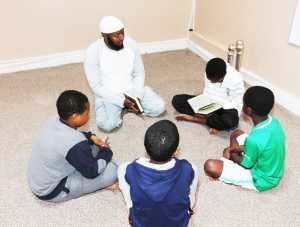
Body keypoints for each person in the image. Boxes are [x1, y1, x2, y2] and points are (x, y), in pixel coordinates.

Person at [28, 90, 118, 202]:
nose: (89, 116)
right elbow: (92, 172)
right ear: (75, 116)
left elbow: (70, 137)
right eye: (87, 113)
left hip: (40, 178)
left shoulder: (53, 120)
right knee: (112, 170)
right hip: (52, 190)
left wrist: (90, 137)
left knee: (92, 149)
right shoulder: (75, 142)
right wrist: (106, 150)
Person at [84, 16, 165, 132]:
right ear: (104, 36)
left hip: (132, 91)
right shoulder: (93, 51)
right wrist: (121, 101)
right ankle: (118, 107)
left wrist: (136, 96)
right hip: (109, 95)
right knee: (107, 125)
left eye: (122, 33)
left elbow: (139, 73)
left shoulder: (131, 44)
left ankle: (131, 105)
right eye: (116, 35)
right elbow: (96, 86)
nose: (121, 37)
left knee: (159, 108)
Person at [204, 86, 286, 191]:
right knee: (236, 133)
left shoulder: (254, 140)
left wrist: (232, 152)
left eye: (243, 103)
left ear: (248, 110)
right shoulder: (274, 122)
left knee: (210, 166)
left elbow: (247, 164)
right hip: (270, 166)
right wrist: (239, 149)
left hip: (261, 179)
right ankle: (231, 159)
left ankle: (229, 168)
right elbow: (263, 145)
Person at [118, 120, 199, 227]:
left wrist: (138, 161)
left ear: (146, 150)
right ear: (176, 152)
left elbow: (129, 170)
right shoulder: (186, 168)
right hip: (179, 223)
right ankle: (189, 207)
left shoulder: (132, 169)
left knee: (121, 168)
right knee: (194, 170)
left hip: (141, 223)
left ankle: (130, 206)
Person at [172, 57, 244, 134]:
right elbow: (207, 93)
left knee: (230, 121)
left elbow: (237, 104)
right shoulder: (210, 71)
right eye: (210, 80)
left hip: (224, 108)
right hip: (208, 103)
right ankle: (211, 120)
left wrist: (219, 106)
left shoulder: (236, 79)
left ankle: (199, 119)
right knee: (177, 100)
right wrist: (203, 105)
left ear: (222, 77)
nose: (211, 82)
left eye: (215, 81)